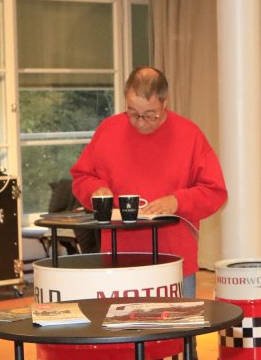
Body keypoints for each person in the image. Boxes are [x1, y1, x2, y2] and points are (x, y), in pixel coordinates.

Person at [70, 67, 228, 298]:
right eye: (133, 113)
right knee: (121, 321)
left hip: (174, 260)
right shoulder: (108, 130)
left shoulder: (189, 135)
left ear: (165, 103)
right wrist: (96, 190)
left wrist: (177, 201)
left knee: (177, 321)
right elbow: (82, 176)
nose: (141, 123)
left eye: (150, 114)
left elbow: (214, 191)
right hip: (119, 259)